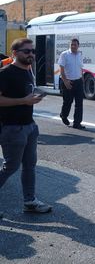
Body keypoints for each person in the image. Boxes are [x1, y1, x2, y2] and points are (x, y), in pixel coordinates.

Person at [0, 38, 53, 217]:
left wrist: (34, 97)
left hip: (29, 126)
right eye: (26, 51)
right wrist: (24, 100)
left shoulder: (28, 71)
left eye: (33, 51)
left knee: (29, 166)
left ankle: (30, 201)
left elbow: (25, 93)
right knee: (11, 167)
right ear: (15, 53)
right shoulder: (5, 73)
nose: (31, 54)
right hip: (12, 128)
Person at [58, 38, 85, 129]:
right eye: (72, 44)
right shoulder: (64, 54)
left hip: (78, 81)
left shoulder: (79, 54)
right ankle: (63, 115)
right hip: (68, 82)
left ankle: (77, 123)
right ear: (70, 45)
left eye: (75, 45)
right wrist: (65, 81)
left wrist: (82, 78)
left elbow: (81, 67)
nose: (73, 46)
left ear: (78, 46)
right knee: (68, 102)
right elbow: (61, 70)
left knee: (79, 103)